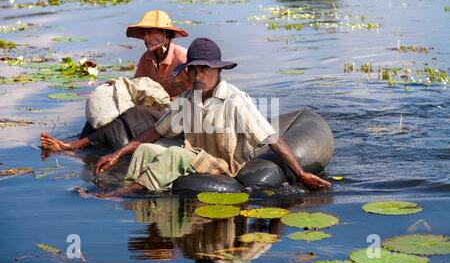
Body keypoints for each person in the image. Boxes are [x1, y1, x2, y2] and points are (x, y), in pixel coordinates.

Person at [92, 38, 331, 196]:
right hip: (195, 158)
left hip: (224, 166)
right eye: (193, 69)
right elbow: (155, 132)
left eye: (205, 69)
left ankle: (127, 193)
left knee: (174, 154)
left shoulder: (236, 101)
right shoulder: (187, 99)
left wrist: (300, 174)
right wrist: (117, 154)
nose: (198, 75)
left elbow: (272, 138)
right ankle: (131, 187)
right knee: (145, 150)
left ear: (218, 70)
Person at [41, 10, 191, 153]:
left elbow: (198, 97)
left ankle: (73, 146)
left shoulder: (183, 58)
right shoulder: (146, 59)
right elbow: (135, 88)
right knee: (113, 107)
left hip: (179, 116)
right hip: (155, 111)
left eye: (151, 32)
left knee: (136, 112)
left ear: (166, 33)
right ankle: (82, 141)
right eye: (145, 33)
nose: (146, 38)